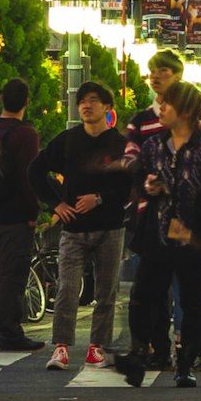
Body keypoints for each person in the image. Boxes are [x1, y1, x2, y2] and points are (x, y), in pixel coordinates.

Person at [123, 80, 201, 387]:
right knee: (143, 296)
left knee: (192, 301)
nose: (162, 108)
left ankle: (186, 364)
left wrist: (194, 227)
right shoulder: (154, 145)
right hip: (156, 236)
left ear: (184, 110)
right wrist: (149, 186)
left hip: (192, 240)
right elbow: (141, 177)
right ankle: (140, 353)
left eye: (167, 104)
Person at [36, 79, 139, 370]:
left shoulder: (120, 144)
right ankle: (61, 347)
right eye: (82, 101)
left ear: (107, 108)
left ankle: (97, 347)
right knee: (67, 288)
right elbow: (36, 170)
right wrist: (56, 204)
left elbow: (131, 185)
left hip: (110, 226)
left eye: (93, 100)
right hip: (74, 229)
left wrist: (101, 199)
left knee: (106, 290)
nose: (86, 105)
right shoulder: (68, 141)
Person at [0, 78, 43, 352]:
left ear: (1, 98)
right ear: (27, 102)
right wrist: (33, 212)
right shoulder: (26, 134)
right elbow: (28, 176)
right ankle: (10, 332)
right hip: (16, 216)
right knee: (11, 275)